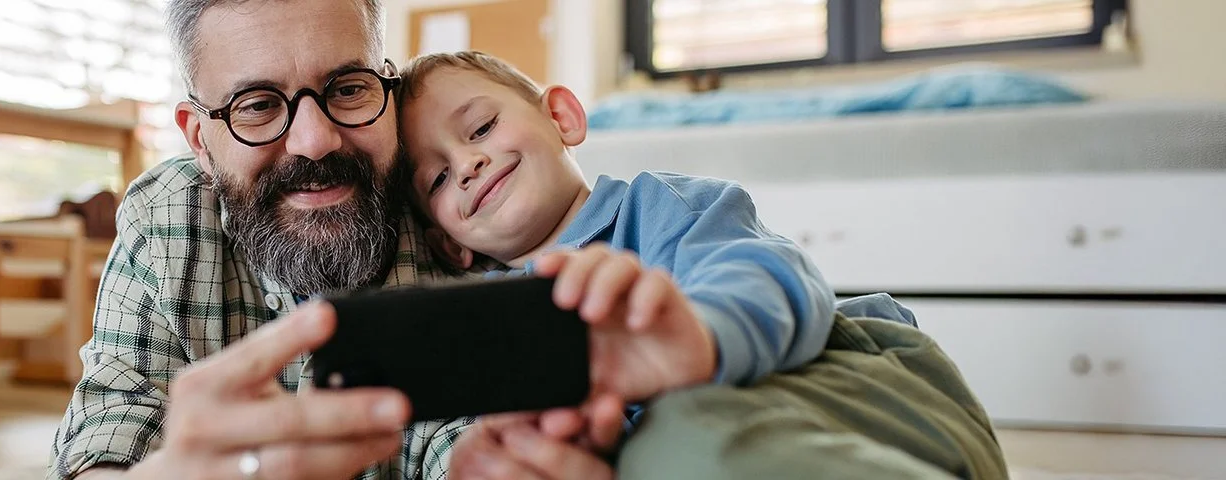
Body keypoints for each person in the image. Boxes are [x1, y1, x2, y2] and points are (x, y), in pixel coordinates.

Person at [49, 0, 1008, 479]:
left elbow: (453, 429)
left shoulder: (423, 215)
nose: (315, 141)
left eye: (345, 89)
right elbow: (100, 446)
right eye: (259, 105)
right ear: (198, 132)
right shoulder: (169, 221)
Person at [392, 52, 1010, 480]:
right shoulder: (493, 318)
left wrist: (700, 334)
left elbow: (772, 277)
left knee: (681, 430)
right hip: (711, 448)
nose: (467, 164)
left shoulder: (658, 206)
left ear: (562, 118)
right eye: (439, 177)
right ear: (449, 244)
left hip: (845, 386)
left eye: (481, 127)